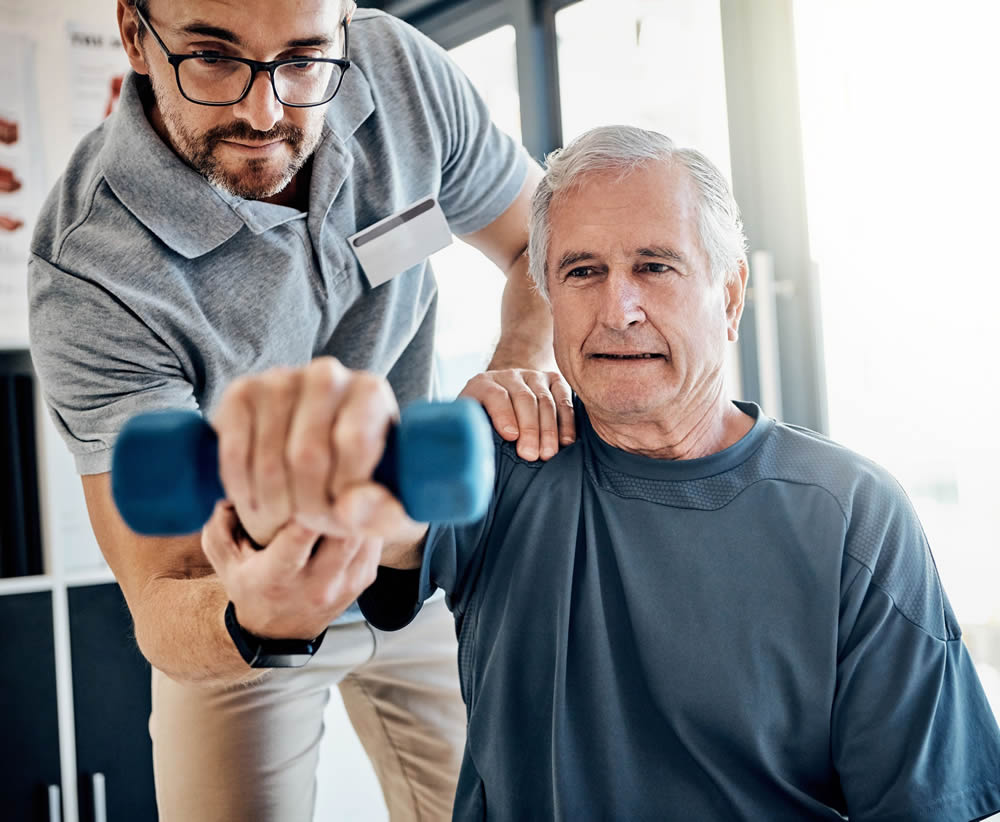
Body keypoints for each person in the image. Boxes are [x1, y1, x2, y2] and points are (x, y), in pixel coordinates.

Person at [200, 125, 1000, 820]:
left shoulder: (853, 515)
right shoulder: (505, 455)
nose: (618, 309)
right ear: (549, 293)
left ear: (730, 294)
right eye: (582, 272)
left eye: (655, 266)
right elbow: (388, 522)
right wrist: (307, 480)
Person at [27, 1, 574, 819]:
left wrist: (517, 365)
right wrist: (256, 615)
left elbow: (542, 240)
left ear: (345, 27)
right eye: (212, 58)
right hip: (236, 584)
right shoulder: (88, 270)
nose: (265, 110)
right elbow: (163, 591)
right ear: (137, 36)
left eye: (304, 57)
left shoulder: (397, 74)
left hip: (414, 547)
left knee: (506, 804)